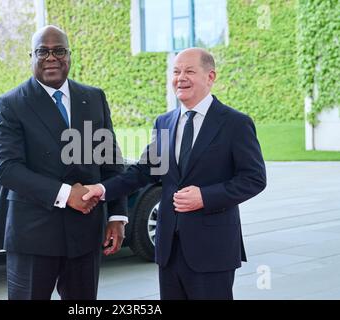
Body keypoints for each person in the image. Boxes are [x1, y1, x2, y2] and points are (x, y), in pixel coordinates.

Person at [83, 48, 267, 300]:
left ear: (210, 76)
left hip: (213, 248)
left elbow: (254, 178)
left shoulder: (235, 123)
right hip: (169, 247)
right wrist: (102, 190)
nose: (181, 78)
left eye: (190, 71)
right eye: (176, 71)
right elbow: (144, 170)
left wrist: (205, 196)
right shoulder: (164, 122)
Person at [0, 25, 128, 300]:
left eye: (59, 50)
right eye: (42, 51)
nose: (51, 57)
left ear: (69, 55)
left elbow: (111, 161)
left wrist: (116, 216)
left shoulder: (94, 97)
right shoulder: (10, 104)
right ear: (31, 56)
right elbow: (6, 168)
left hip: (86, 232)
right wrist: (66, 194)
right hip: (33, 234)